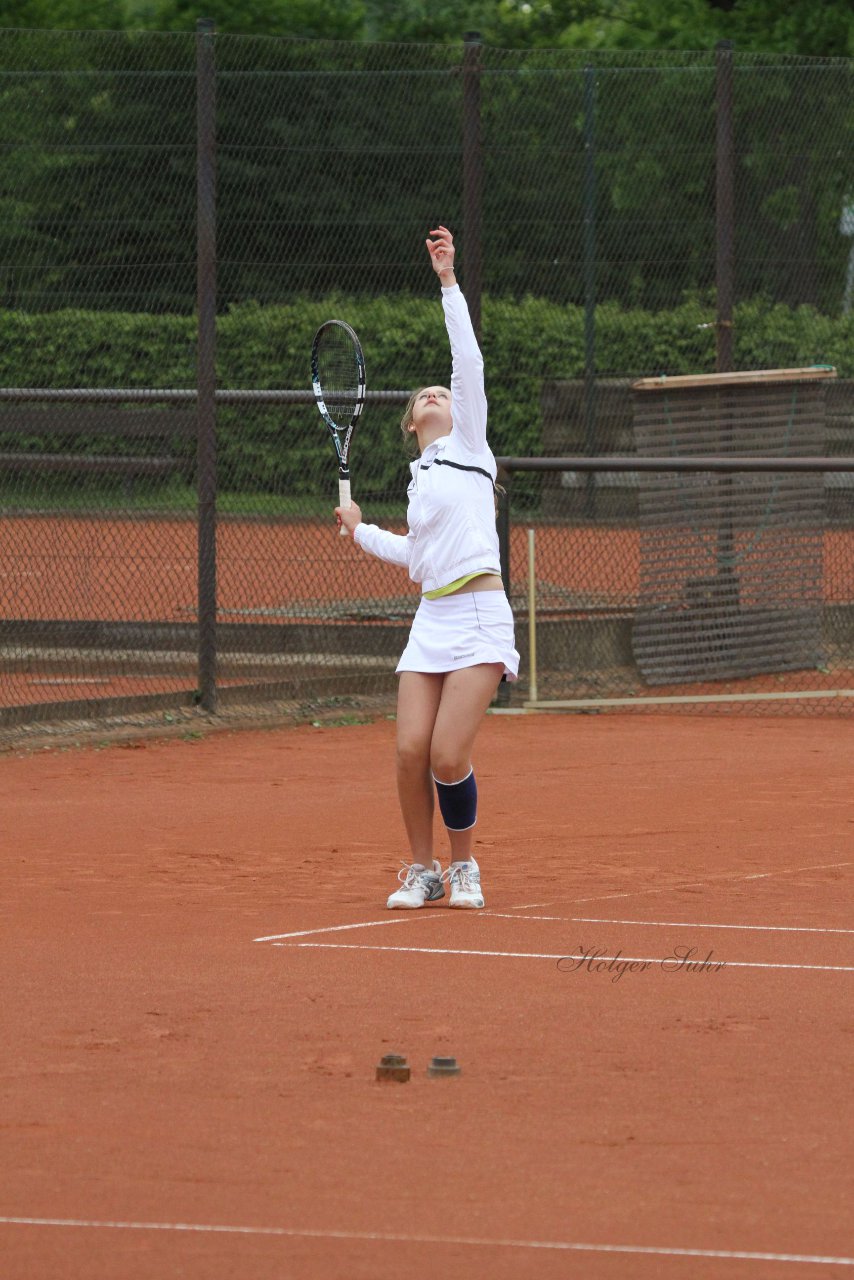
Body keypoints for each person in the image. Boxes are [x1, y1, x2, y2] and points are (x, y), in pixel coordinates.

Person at [335, 226, 519, 910]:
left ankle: (464, 865)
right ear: (412, 423)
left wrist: (448, 281)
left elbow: (465, 358)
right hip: (432, 617)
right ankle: (423, 869)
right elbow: (414, 556)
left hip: (480, 611)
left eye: (444, 392)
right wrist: (361, 532)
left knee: (447, 754)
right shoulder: (420, 481)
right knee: (409, 750)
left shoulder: (472, 445)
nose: (438, 394)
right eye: (426, 397)